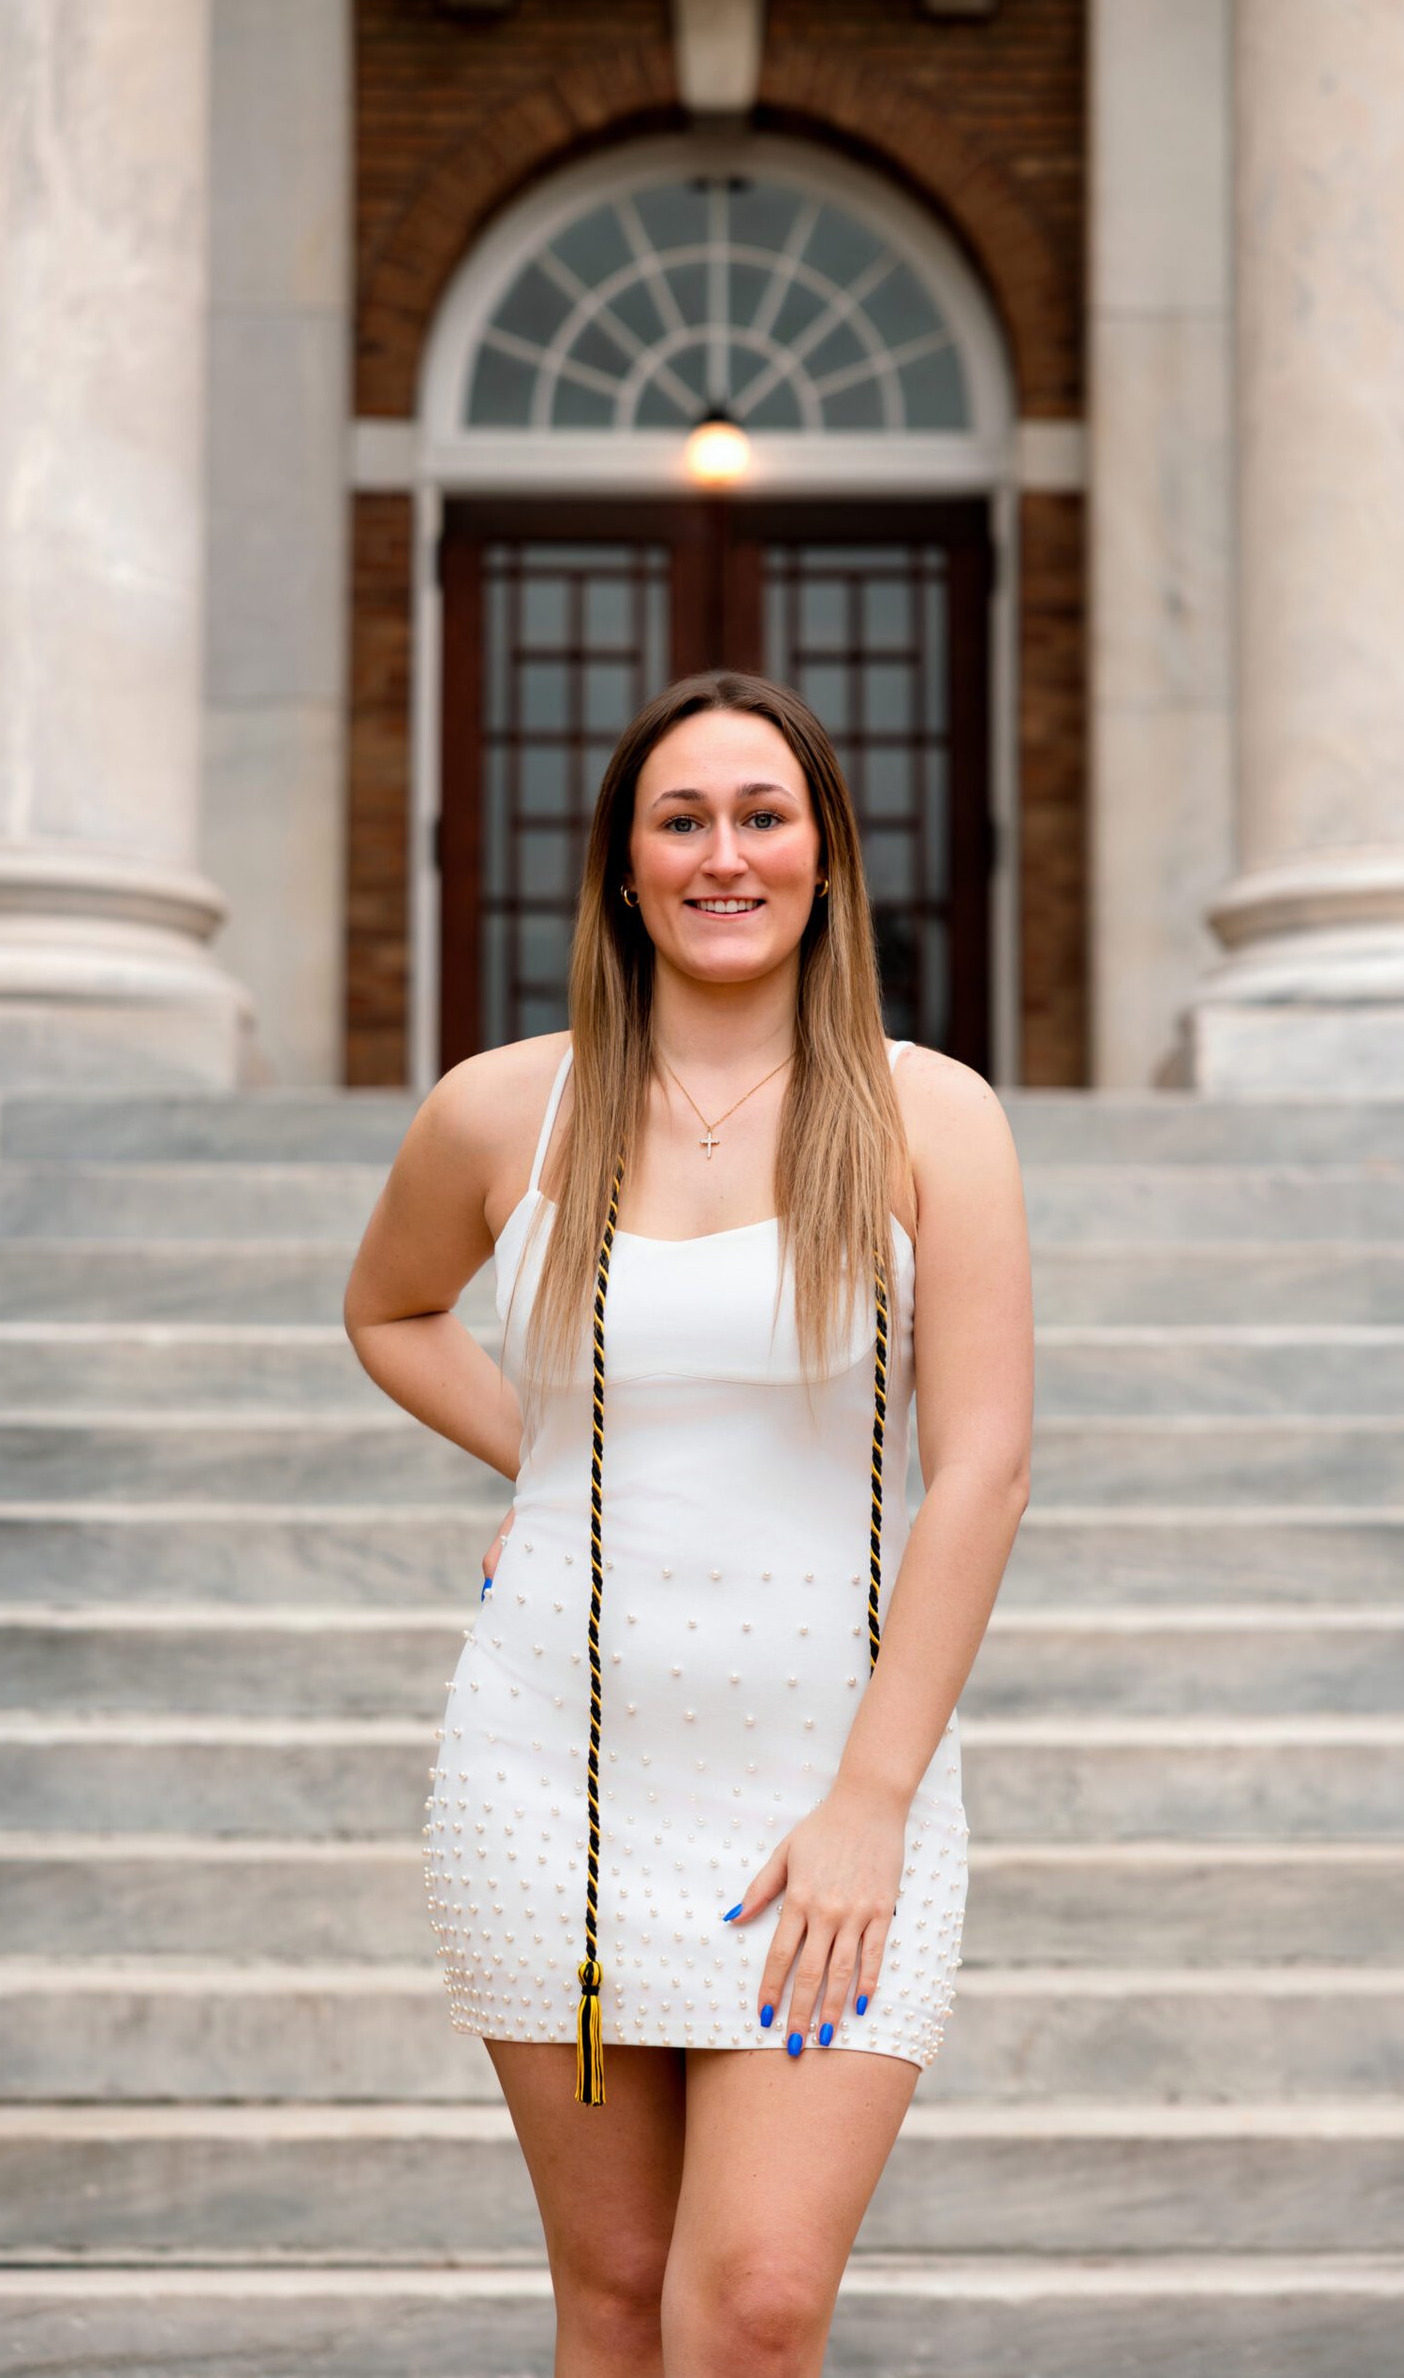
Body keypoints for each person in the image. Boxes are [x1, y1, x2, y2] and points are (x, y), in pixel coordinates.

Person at [343, 669, 1033, 2378]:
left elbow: (989, 1464)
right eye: (682, 819)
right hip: (549, 1779)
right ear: (625, 866)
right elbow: (389, 1311)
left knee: (759, 2304)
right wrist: (559, 1470)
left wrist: (870, 1799)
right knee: (621, 2294)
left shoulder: (929, 1111)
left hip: (823, 1785)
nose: (725, 854)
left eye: (762, 815)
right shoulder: (507, 1107)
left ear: (822, 856)